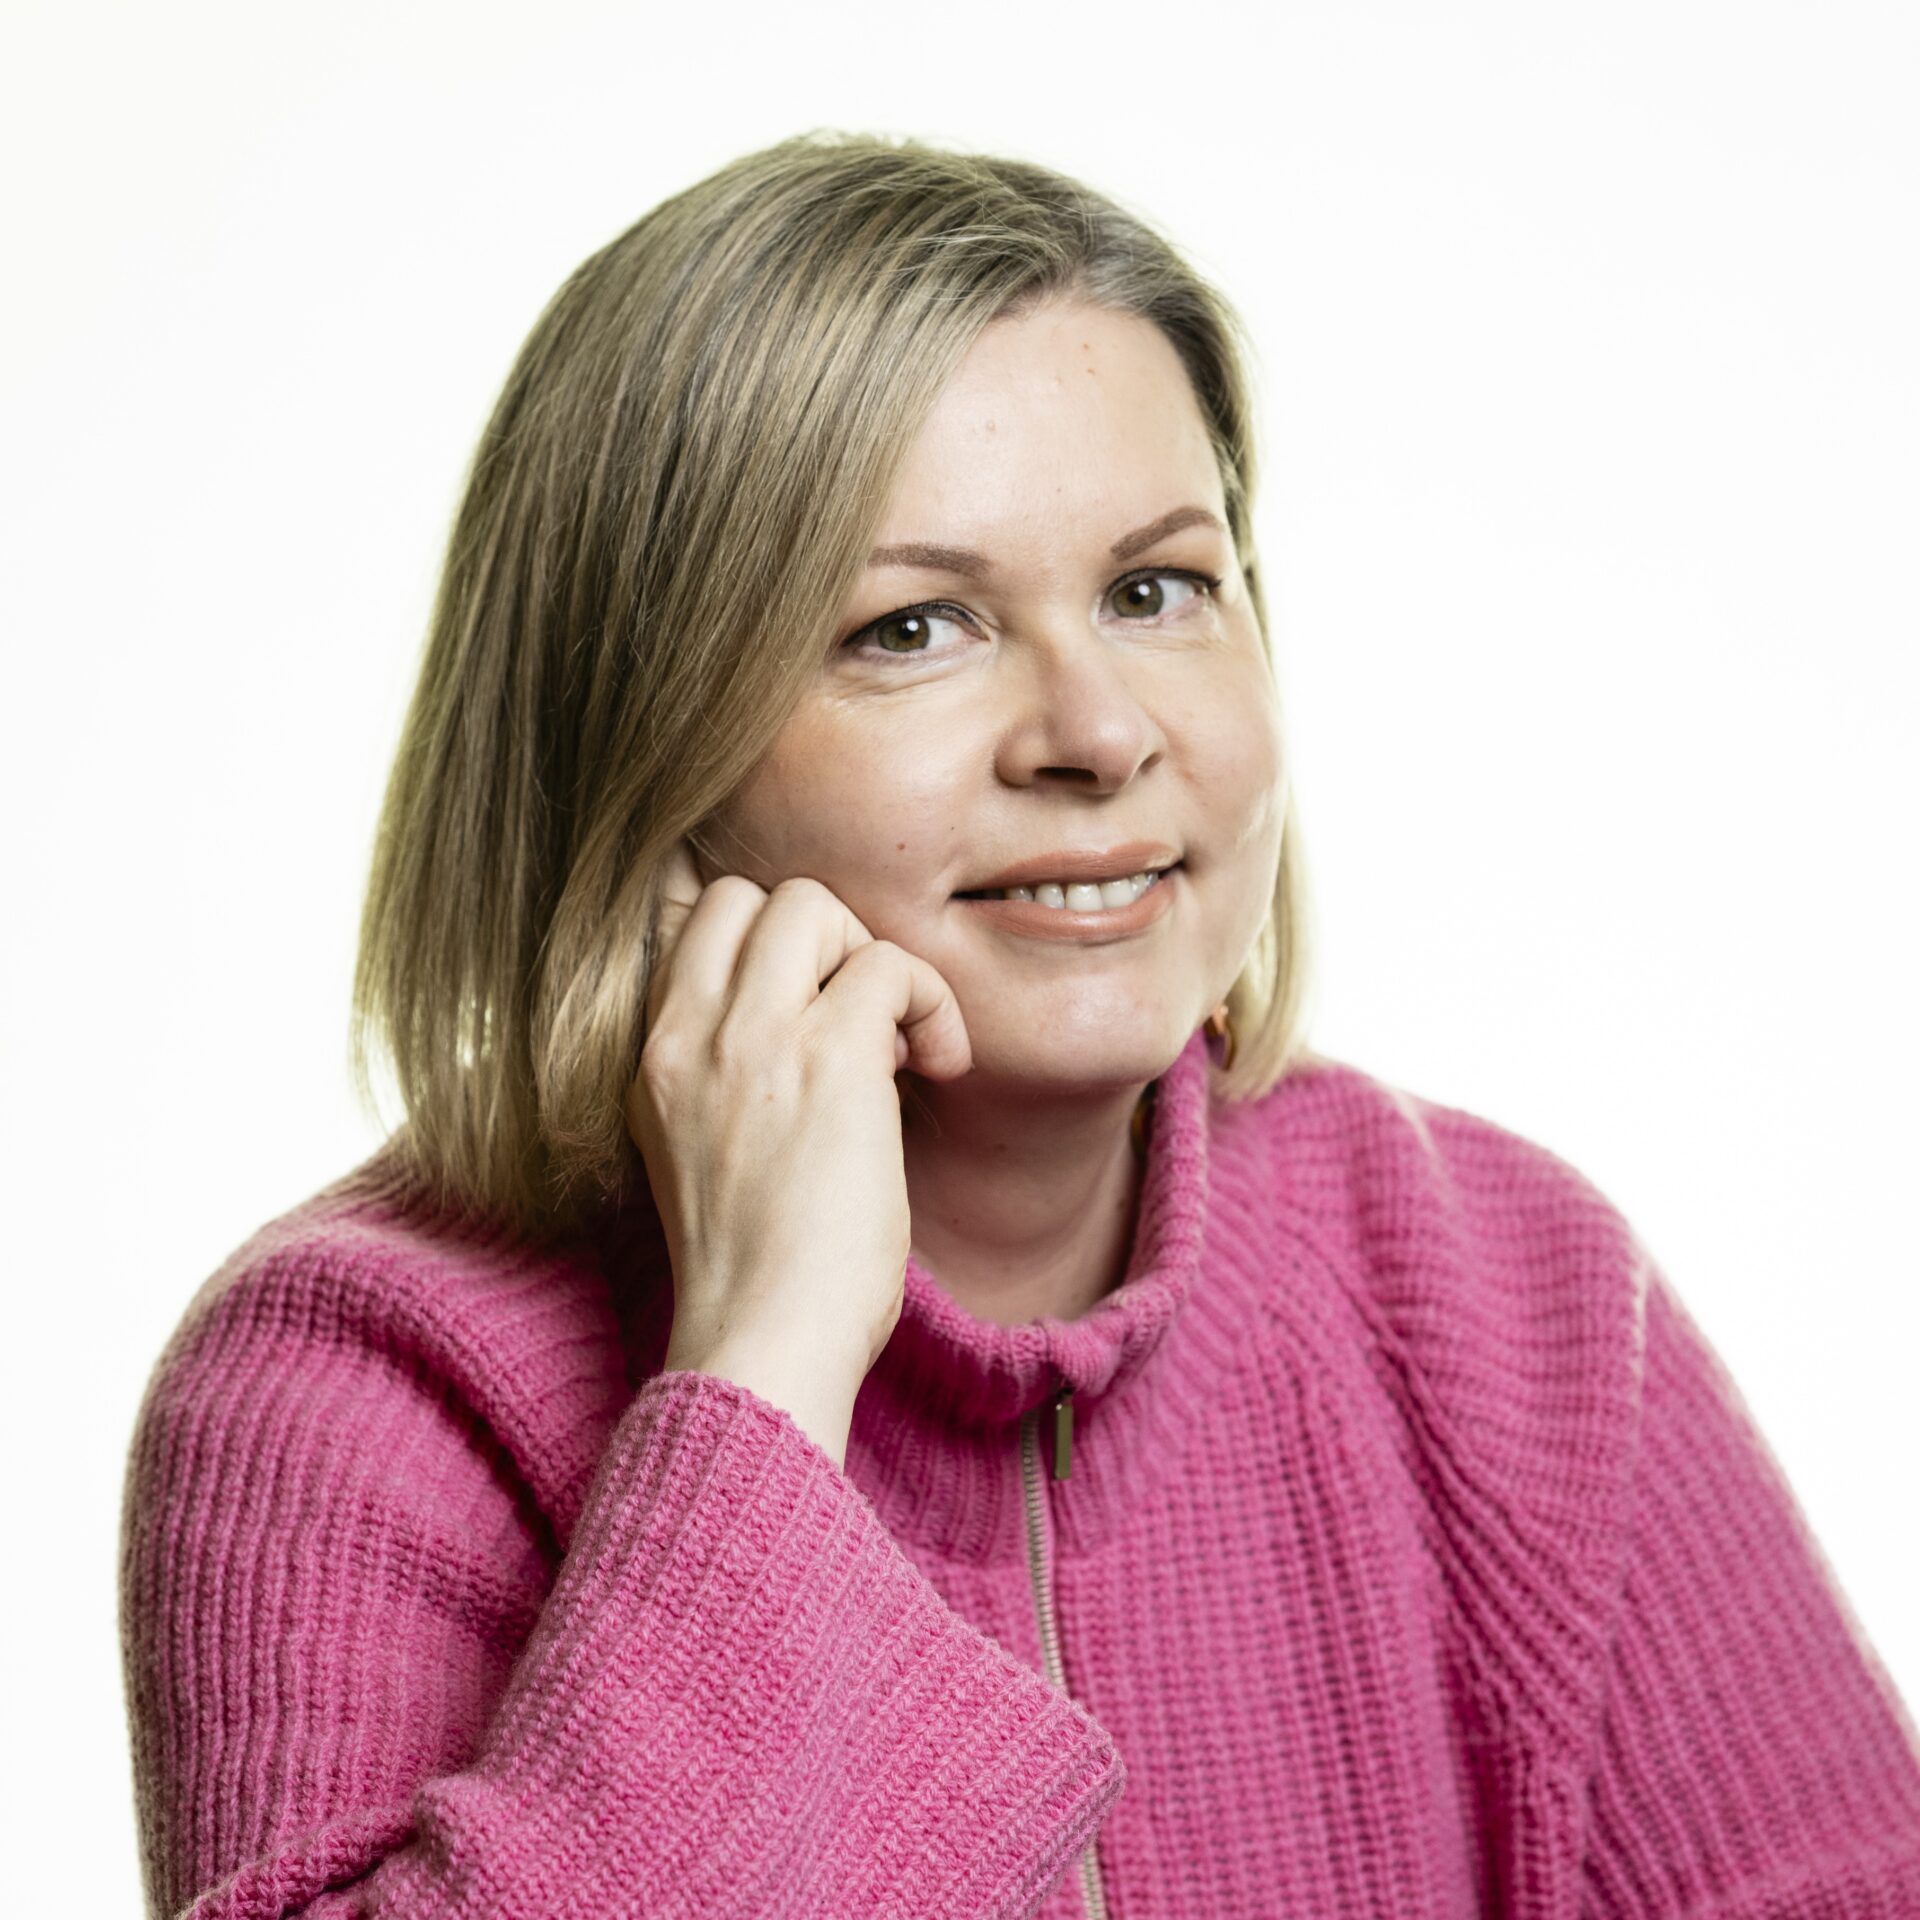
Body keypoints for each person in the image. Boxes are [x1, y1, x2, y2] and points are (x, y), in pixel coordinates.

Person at [119, 132, 1920, 1920]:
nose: (1099, 732)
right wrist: (757, 1378)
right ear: (647, 754)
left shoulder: (1511, 1296)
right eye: (916, 626)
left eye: (1158, 590)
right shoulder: (356, 1385)